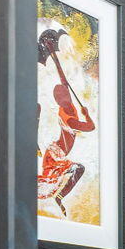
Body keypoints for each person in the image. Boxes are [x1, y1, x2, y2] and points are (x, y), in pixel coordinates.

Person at [37, 26, 94, 214]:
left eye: (65, 94)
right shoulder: (68, 117)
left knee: (74, 171)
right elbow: (90, 127)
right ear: (59, 101)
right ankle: (57, 196)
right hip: (55, 154)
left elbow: (63, 80)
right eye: (61, 97)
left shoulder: (68, 104)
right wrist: (86, 114)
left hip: (57, 151)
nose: (65, 97)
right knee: (72, 171)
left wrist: (53, 53)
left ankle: (59, 196)